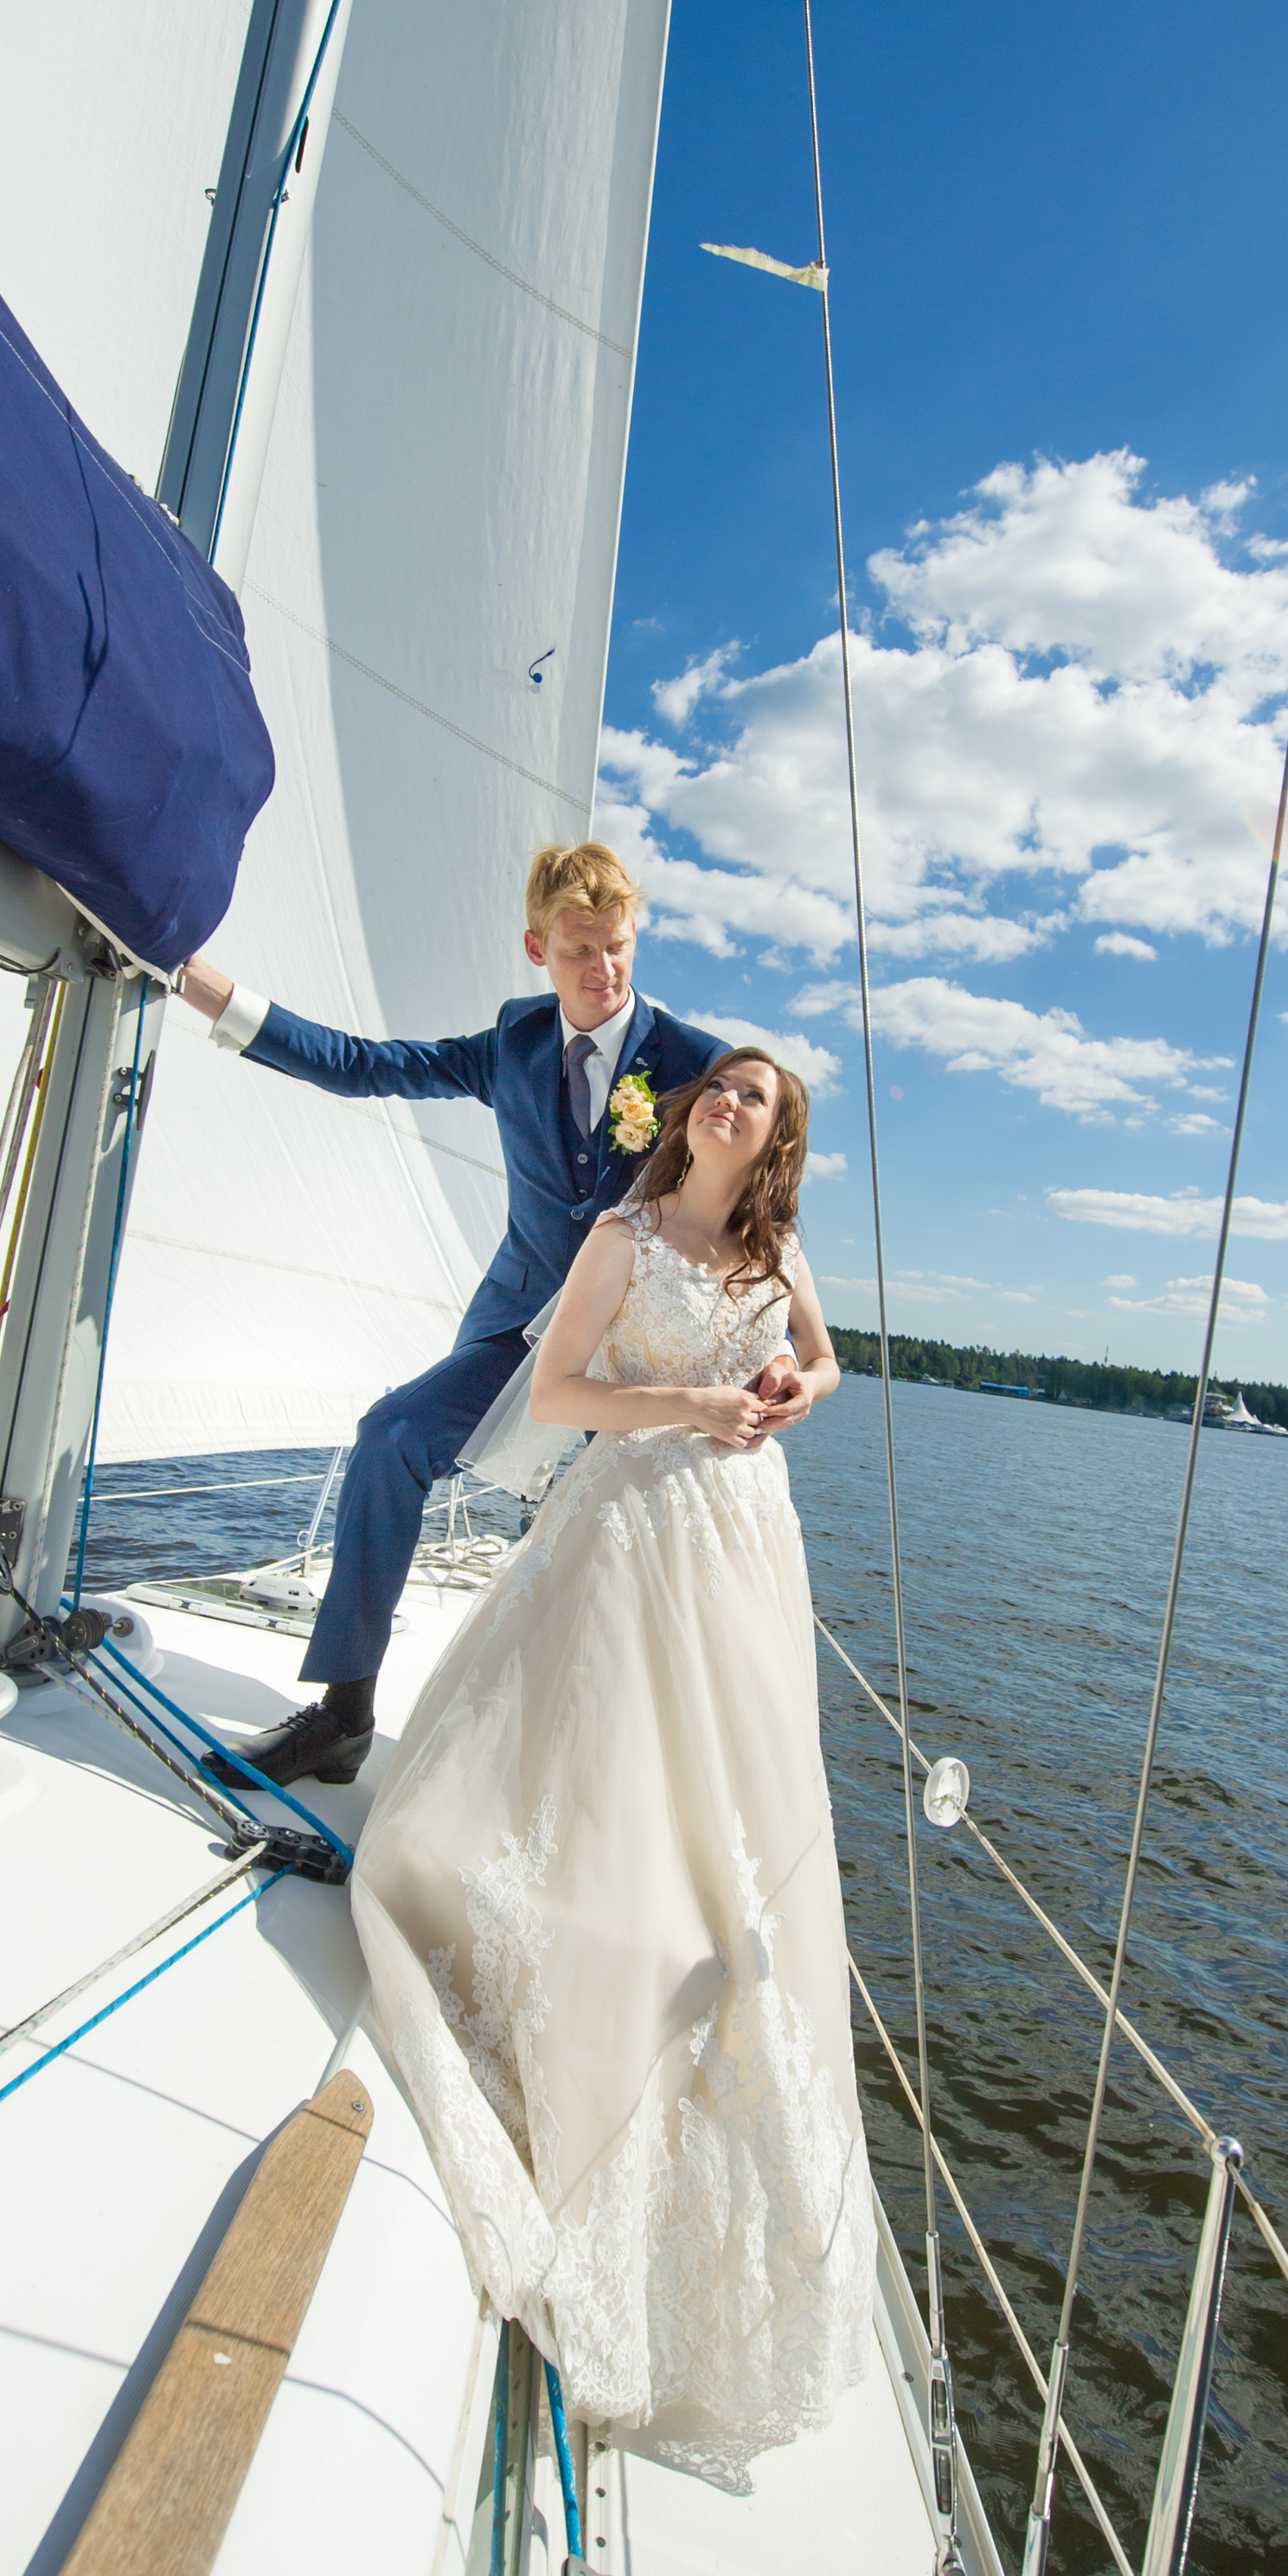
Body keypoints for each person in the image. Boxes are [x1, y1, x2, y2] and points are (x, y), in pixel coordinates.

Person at [349, 1051, 872, 2481]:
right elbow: (569, 1393)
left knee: (733, 1816)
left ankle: (708, 1986)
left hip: (747, 1545)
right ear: (689, 1115)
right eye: (720, 1086)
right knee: (608, 1776)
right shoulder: (622, 1238)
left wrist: (785, 1387)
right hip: (634, 1528)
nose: (730, 1103)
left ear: (776, 1138)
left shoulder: (777, 1249)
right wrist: (692, 1410)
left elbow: (827, 1361)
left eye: (758, 1097)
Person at [176, 843, 738, 1785]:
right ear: (536, 948)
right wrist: (213, 995)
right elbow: (362, 1065)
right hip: (517, 1336)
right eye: (580, 951)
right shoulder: (514, 1042)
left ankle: (569, 1771)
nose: (603, 970)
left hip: (636, 1354)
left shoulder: (697, 1065)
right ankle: (344, 1717)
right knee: (390, 1435)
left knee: (582, 1547)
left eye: (619, 947)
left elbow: (754, 1212)